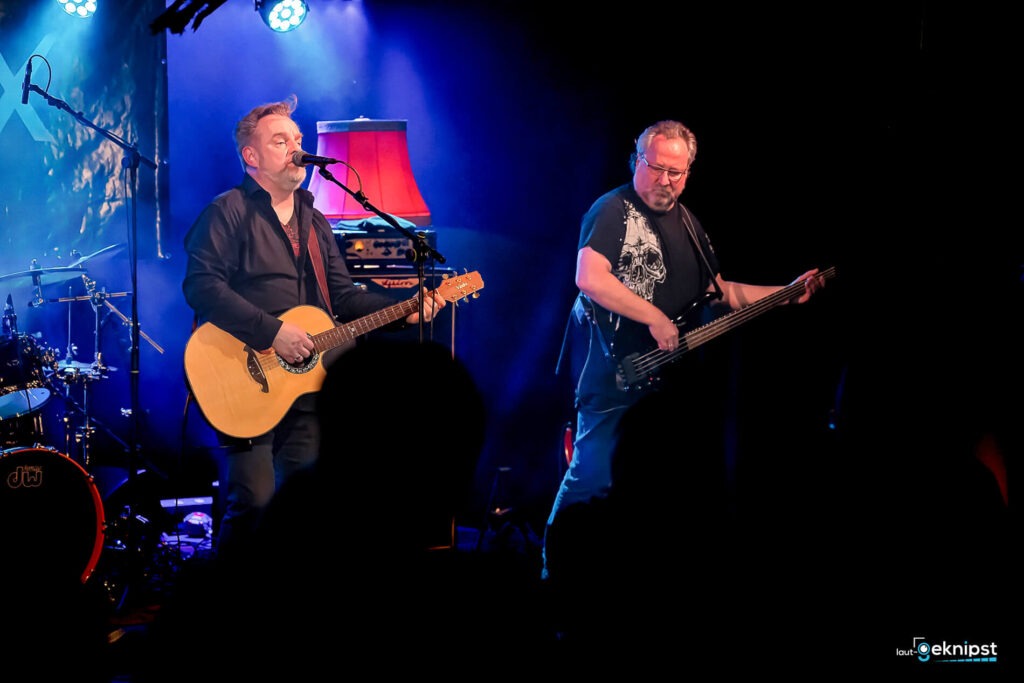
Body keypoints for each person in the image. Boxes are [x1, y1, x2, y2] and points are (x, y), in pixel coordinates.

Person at [543, 119, 827, 578]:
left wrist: (784, 291)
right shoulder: (613, 209)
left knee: (650, 494)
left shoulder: (689, 223)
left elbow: (720, 293)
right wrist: (653, 315)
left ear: (689, 171)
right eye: (656, 168)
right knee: (588, 480)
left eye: (676, 172)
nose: (664, 181)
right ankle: (553, 576)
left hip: (659, 383)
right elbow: (589, 278)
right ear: (638, 161)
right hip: (614, 371)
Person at [182, 96, 446, 564]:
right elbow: (202, 287)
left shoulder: (315, 220)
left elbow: (341, 299)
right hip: (243, 375)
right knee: (254, 503)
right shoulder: (227, 212)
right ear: (252, 156)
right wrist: (271, 332)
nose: (295, 149)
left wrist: (405, 310)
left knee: (305, 507)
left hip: (305, 385)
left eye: (298, 140)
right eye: (280, 141)